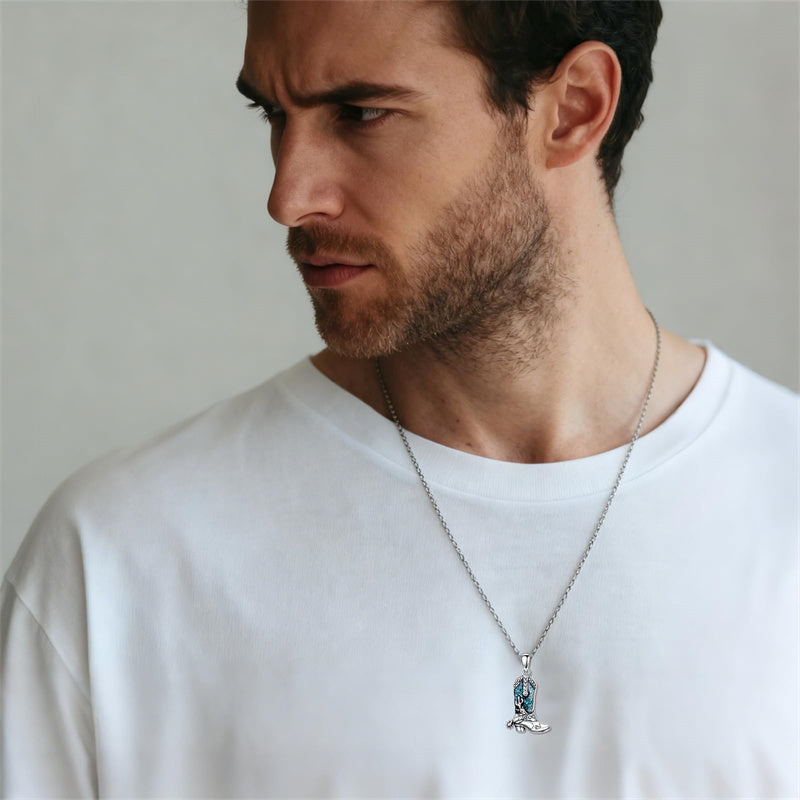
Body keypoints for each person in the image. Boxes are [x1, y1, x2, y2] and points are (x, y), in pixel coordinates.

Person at [2, 1, 797, 796]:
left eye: (360, 114)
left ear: (574, 108)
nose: (289, 196)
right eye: (274, 115)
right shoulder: (122, 558)